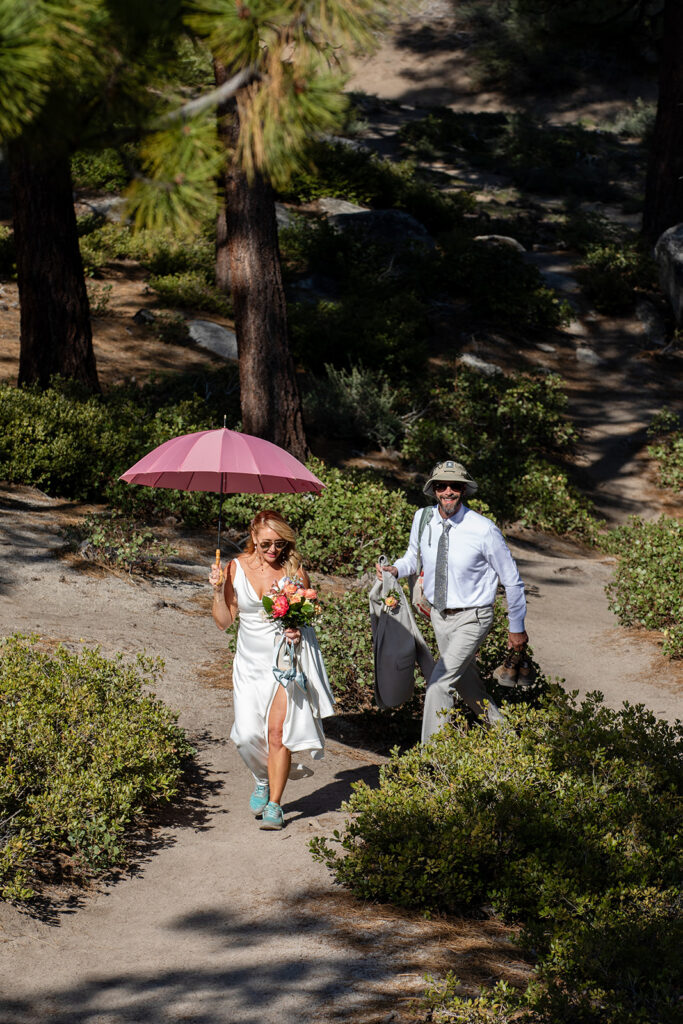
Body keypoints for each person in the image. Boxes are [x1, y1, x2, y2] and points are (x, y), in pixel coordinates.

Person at [376, 459, 528, 742]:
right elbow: (413, 557)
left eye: (455, 486)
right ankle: (508, 738)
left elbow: (512, 581)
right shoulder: (422, 519)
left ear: (464, 490)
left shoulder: (483, 529)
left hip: (473, 617)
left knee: (439, 684)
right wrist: (395, 569)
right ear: (433, 490)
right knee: (467, 685)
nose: (448, 491)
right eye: (441, 486)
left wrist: (516, 626)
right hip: (439, 616)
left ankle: (431, 764)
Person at [209, 510, 335, 830]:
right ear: (253, 536)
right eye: (267, 542)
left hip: (283, 662)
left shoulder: (294, 571)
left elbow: (303, 618)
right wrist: (217, 588)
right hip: (249, 664)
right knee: (247, 735)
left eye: (280, 543)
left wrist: (296, 629)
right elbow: (224, 622)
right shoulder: (235, 568)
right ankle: (262, 778)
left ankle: (275, 805)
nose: (273, 550)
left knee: (278, 734)